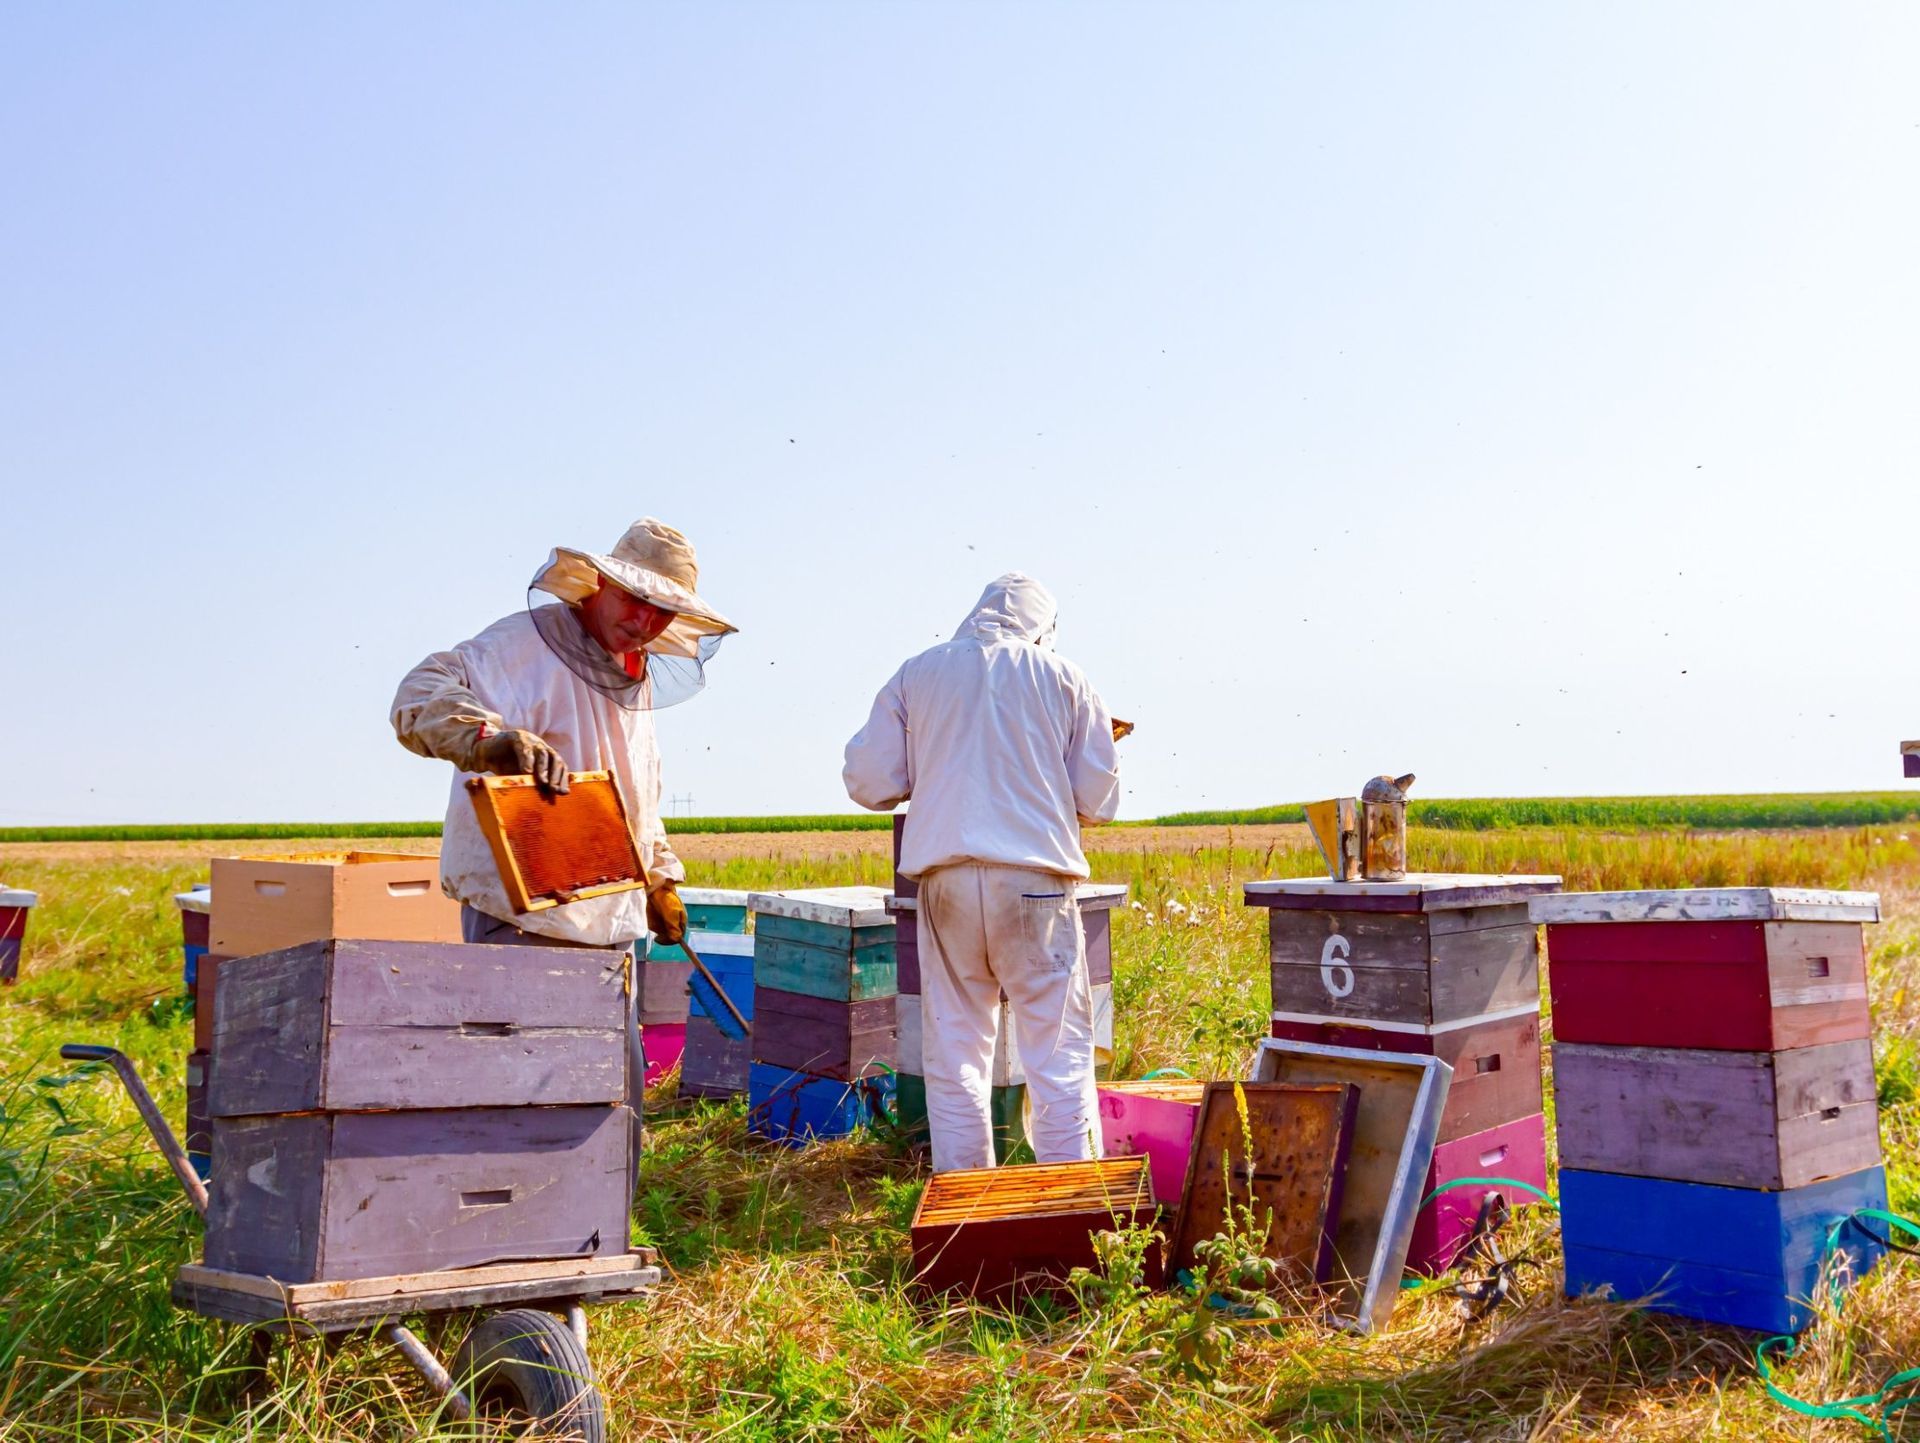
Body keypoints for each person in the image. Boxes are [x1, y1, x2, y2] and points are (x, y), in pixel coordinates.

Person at [391, 517, 734, 1149]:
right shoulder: (520, 645)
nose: (645, 623)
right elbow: (417, 694)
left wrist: (660, 878)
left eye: (663, 613)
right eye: (636, 600)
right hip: (525, 918)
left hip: (612, 924)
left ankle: (598, 1233)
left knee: (609, 1107)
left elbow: (636, 795)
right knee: (518, 1102)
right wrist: (485, 739)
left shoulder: (633, 671)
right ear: (599, 582)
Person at [843, 574, 1121, 1172]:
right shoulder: (1065, 676)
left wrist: (938, 756)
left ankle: (967, 1210)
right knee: (1057, 1052)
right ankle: (1073, 1213)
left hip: (945, 884)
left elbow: (871, 782)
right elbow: (1099, 800)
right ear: (1043, 627)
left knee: (955, 1055)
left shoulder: (917, 672)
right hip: (1035, 883)